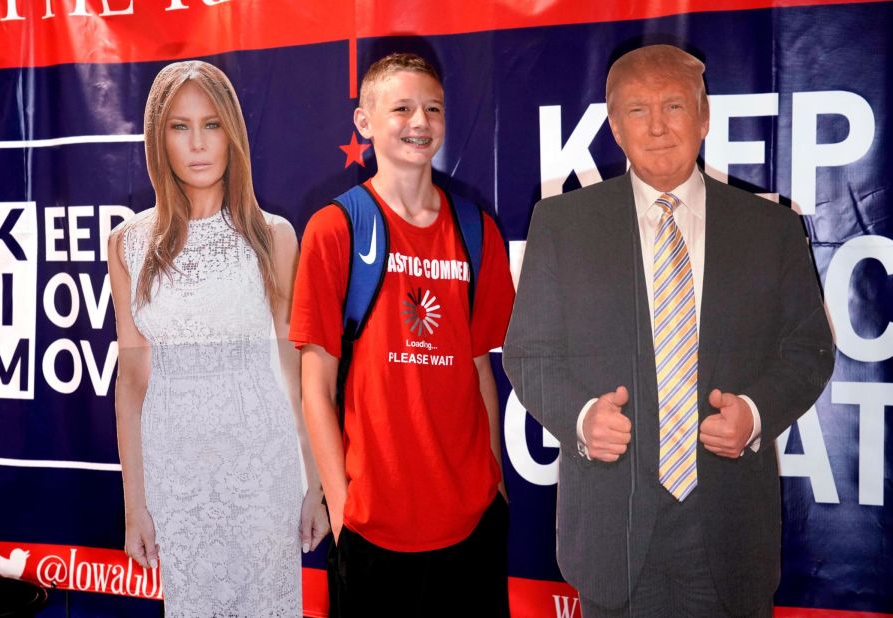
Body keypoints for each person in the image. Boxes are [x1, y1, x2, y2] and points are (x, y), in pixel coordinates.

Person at [503, 44, 835, 617]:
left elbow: (808, 350)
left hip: (729, 534)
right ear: (614, 125)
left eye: (674, 106)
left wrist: (754, 414)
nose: (656, 126)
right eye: (637, 110)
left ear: (703, 117)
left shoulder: (770, 228)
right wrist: (583, 419)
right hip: (613, 534)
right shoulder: (563, 224)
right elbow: (528, 354)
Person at [290, 53, 515, 616]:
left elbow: (478, 365)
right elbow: (314, 385)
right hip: (372, 529)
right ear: (364, 121)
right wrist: (342, 510)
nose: (420, 121)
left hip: (471, 525)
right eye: (402, 108)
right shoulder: (336, 228)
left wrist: (495, 486)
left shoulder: (476, 230)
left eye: (433, 108)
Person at [107, 60, 328, 617]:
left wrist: (314, 483)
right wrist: (136, 504)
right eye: (179, 127)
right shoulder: (128, 242)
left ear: (233, 132)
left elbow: (291, 364)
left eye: (211, 125)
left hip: (262, 468)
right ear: (159, 138)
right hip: (174, 473)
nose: (198, 143)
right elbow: (132, 381)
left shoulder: (272, 236)